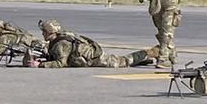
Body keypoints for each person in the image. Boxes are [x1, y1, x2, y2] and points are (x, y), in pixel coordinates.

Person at [28, 19, 159, 68]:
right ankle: (144, 59)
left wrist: (40, 65)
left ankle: (151, 52)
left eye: (44, 32)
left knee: (123, 61)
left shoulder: (62, 44)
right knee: (125, 61)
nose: (43, 34)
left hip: (95, 59)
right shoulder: (55, 42)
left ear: (51, 32)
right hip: (89, 57)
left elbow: (61, 63)